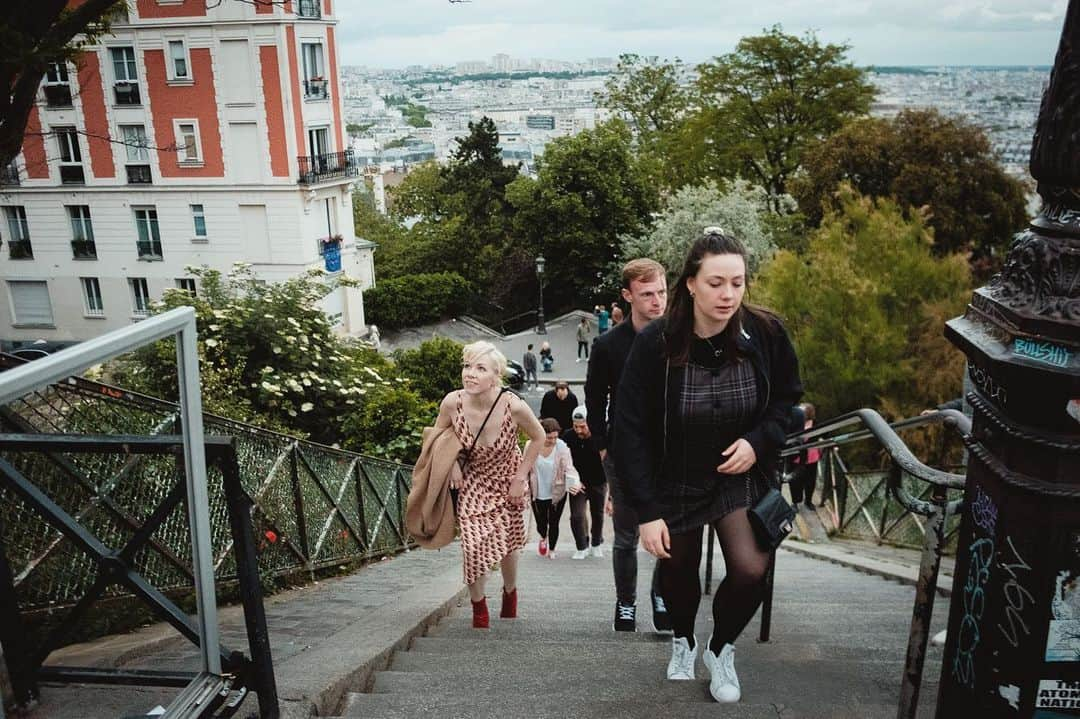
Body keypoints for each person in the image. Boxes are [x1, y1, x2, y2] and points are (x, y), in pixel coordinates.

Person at [614, 229, 802, 703]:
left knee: (750, 569)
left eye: (737, 283)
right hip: (673, 476)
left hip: (740, 476)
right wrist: (646, 510)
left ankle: (721, 649)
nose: (728, 295)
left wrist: (759, 443)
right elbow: (629, 428)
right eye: (716, 283)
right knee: (678, 572)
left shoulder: (765, 332)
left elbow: (787, 401)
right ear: (691, 284)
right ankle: (684, 638)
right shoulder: (657, 342)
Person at [432, 341, 545, 629]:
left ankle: (510, 591)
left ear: (496, 376)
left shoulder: (513, 405)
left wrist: (520, 478)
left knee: (508, 545)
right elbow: (437, 436)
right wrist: (453, 465)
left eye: (480, 368)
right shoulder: (452, 402)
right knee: (472, 545)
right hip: (474, 479)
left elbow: (539, 437)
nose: (470, 373)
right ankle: (479, 607)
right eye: (467, 366)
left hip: (509, 480)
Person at [584, 257, 670, 633]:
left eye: (662, 292)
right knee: (626, 534)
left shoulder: (678, 337)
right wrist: (603, 445)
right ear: (628, 295)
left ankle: (663, 595)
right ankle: (626, 603)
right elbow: (593, 397)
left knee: (671, 530)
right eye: (647, 294)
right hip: (622, 451)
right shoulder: (608, 345)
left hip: (668, 450)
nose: (657, 301)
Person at [526, 418, 580, 559]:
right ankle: (543, 536)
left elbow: (569, 468)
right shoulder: (531, 445)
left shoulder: (561, 447)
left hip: (557, 492)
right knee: (541, 522)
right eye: (549, 437)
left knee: (554, 522)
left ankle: (552, 550)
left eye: (556, 437)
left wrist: (575, 483)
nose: (553, 440)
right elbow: (524, 467)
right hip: (537, 491)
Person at [563, 406, 607, 559]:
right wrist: (572, 479)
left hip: (598, 481)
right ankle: (582, 545)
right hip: (578, 483)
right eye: (576, 426)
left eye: (582, 426)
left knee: (598, 514)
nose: (579, 430)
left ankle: (596, 543)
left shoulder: (600, 437)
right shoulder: (568, 437)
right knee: (577, 515)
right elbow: (563, 460)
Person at [788, 402, 820, 509]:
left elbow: (825, 434)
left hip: (812, 457)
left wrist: (832, 445)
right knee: (795, 480)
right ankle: (795, 502)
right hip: (797, 457)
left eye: (802, 411)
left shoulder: (815, 423)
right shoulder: (794, 423)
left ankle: (808, 501)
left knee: (810, 480)